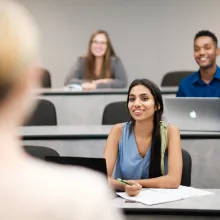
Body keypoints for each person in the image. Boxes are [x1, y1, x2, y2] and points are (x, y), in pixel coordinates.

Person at [0, 2, 123, 220]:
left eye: (102, 42)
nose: (98, 46)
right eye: (95, 42)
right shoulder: (84, 197)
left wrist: (98, 85)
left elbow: (121, 82)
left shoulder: (115, 62)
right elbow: (70, 81)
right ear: (29, 83)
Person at [104, 79, 182, 196]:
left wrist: (133, 184)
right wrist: (124, 186)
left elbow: (174, 180)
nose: (136, 104)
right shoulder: (118, 130)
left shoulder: (171, 131)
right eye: (132, 99)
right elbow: (102, 177)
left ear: (157, 105)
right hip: (124, 200)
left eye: (144, 98)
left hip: (159, 201)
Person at [177, 30, 220, 97]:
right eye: (196, 49)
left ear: (217, 51)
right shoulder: (185, 84)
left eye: (207, 48)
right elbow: (178, 107)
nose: (201, 53)